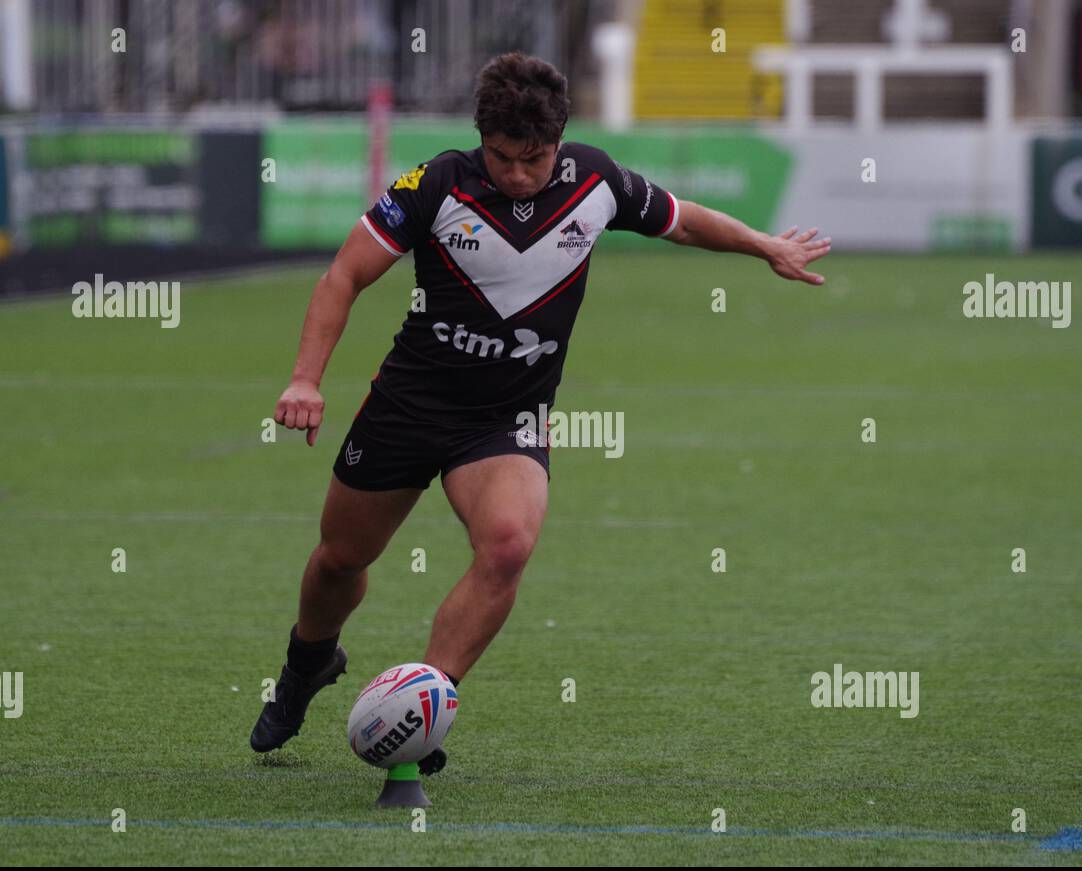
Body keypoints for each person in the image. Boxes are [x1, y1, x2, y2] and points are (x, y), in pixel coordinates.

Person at [250, 51, 831, 773]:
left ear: (558, 141)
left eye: (536, 158)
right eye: (503, 158)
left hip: (506, 417)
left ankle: (423, 707)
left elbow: (683, 221)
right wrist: (306, 380)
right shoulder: (434, 185)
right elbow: (345, 276)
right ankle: (307, 663)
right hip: (409, 403)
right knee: (341, 558)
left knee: (508, 546)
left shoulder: (596, 179)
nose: (520, 173)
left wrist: (763, 245)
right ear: (480, 140)